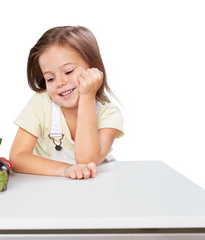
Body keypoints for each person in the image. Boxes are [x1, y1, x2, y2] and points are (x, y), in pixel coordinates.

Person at [9, 26, 124, 180]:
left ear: (94, 68)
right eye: (50, 78)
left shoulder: (109, 114)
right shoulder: (41, 103)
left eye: (69, 71)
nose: (61, 82)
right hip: (44, 192)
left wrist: (87, 96)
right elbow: (17, 157)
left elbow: (86, 159)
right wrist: (65, 169)